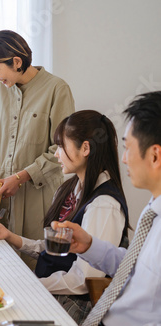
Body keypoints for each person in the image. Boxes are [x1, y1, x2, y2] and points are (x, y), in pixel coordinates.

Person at [0, 110, 129, 324]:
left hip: (72, 305)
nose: (57, 154)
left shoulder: (104, 205)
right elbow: (56, 250)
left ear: (85, 148)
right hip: (51, 291)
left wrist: (31, 283)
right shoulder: (70, 189)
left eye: (61, 146)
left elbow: (84, 279)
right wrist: (10, 237)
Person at [0, 30, 75, 265]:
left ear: (16, 62)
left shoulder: (57, 89)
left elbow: (61, 150)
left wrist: (20, 177)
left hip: (40, 198)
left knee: (35, 264)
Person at [56, 92, 161, 326]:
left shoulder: (106, 202)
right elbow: (137, 265)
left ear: (154, 155)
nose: (123, 159)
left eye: (128, 148)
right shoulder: (154, 209)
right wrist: (91, 246)